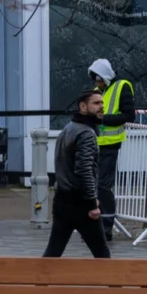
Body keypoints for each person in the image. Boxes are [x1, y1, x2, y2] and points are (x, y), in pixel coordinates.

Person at [42, 87, 111, 258]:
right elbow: (84, 170)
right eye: (96, 103)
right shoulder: (86, 133)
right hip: (80, 203)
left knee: (53, 254)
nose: (101, 107)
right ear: (83, 107)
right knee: (103, 256)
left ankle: (39, 276)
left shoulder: (68, 128)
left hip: (62, 200)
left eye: (102, 103)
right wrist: (92, 204)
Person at [88, 56, 134, 242]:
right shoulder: (97, 91)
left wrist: (103, 119)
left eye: (98, 79)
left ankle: (106, 225)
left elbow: (129, 115)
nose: (96, 83)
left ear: (104, 77)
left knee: (103, 186)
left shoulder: (122, 86)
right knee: (94, 185)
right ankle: (96, 224)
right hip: (95, 143)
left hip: (111, 144)